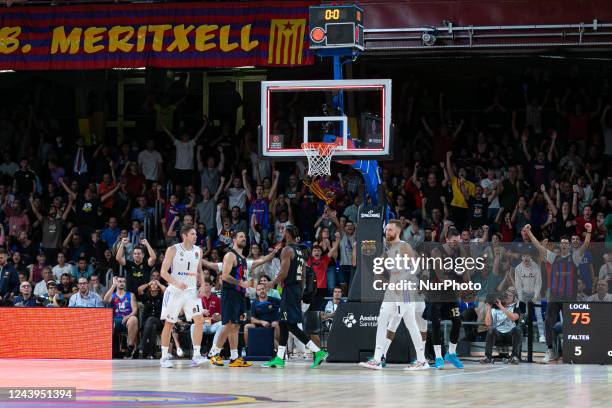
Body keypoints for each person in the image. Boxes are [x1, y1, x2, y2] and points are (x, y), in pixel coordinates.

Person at [359, 220, 428, 371]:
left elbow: (416, 267)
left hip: (404, 291)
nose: (386, 232)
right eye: (386, 230)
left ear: (397, 231)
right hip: (392, 291)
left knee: (410, 324)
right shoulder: (389, 249)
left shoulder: (404, 246)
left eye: (389, 230)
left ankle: (422, 360)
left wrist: (402, 282)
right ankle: (377, 358)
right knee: (383, 318)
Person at [523, 222, 592, 363]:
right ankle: (550, 350)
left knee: (571, 324)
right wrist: (529, 233)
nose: (565, 245)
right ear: (560, 244)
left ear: (569, 245)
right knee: (549, 323)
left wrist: (589, 232)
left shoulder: (574, 257)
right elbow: (539, 247)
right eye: (563, 243)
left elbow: (585, 246)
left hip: (569, 297)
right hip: (554, 296)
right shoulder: (554, 257)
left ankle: (571, 351)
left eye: (567, 243)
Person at [261, 225, 328, 369]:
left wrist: (271, 283)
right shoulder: (302, 251)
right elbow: (303, 275)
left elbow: (283, 274)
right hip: (297, 289)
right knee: (283, 323)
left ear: (287, 233)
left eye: (283, 232)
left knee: (290, 324)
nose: (282, 234)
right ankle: (279, 358)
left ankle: (317, 351)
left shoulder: (287, 250)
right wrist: (300, 292)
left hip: (289, 289)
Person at [158, 225, 207, 368]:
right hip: (174, 291)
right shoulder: (173, 249)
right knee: (169, 323)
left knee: (199, 320)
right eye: (192, 234)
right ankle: (164, 357)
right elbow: (163, 272)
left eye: (196, 234)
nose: (196, 236)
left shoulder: (198, 250)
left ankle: (197, 355)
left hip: (191, 291)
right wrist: (176, 283)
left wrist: (202, 285)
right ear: (184, 236)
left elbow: (200, 270)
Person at [208, 230, 254, 367]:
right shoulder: (230, 255)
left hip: (240, 295)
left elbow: (240, 277)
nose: (244, 238)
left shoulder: (243, 258)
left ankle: (234, 358)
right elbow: (225, 276)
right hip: (230, 294)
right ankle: (214, 353)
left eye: (245, 236)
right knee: (229, 324)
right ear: (234, 239)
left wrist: (246, 284)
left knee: (236, 325)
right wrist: (241, 283)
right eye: (241, 236)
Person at [427, 226, 465, 369]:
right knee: (436, 324)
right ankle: (438, 357)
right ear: (447, 239)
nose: (456, 244)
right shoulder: (436, 251)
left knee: (457, 321)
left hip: (450, 293)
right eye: (454, 241)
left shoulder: (459, 252)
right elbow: (441, 277)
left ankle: (451, 353)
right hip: (437, 293)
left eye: (458, 241)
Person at [480, 288, 522, 364]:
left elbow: (513, 317)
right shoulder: (495, 308)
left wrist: (501, 307)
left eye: (510, 296)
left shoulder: (515, 307)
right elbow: (488, 323)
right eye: (507, 295)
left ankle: (514, 357)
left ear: (514, 298)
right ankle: (487, 357)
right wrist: (489, 308)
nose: (508, 297)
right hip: (498, 335)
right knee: (491, 329)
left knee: (517, 329)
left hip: (510, 335)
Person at [104, 276, 139, 359]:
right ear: (116, 283)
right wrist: (113, 285)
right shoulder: (112, 295)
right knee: (108, 322)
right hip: (115, 320)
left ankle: (130, 348)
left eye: (123, 281)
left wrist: (127, 317)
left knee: (134, 319)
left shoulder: (130, 295)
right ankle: (109, 349)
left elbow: (135, 310)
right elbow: (105, 300)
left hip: (127, 319)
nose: (121, 283)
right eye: (119, 281)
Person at [189, 278, 222, 355]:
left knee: (222, 325)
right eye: (203, 285)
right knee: (193, 326)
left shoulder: (217, 299)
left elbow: (222, 317)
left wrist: (217, 317)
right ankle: (196, 351)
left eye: (206, 285)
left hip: (213, 325)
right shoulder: (198, 299)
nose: (204, 287)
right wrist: (201, 311)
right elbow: (193, 316)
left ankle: (214, 350)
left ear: (211, 286)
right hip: (202, 324)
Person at [138, 278, 165, 359]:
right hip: (147, 323)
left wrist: (159, 284)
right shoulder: (146, 297)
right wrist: (148, 283)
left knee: (151, 319)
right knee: (153, 326)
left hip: (159, 321)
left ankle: (142, 345)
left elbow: (166, 290)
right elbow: (139, 289)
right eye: (152, 284)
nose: (153, 285)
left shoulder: (161, 297)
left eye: (155, 284)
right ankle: (151, 353)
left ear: (158, 287)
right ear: (149, 287)